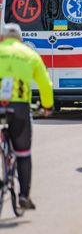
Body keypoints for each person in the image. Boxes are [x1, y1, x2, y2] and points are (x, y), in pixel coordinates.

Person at [0, 23, 53, 210]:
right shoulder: (30, 55)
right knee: (23, 153)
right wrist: (47, 106)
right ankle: (23, 196)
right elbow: (45, 84)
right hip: (19, 107)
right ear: (20, 39)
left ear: (2, 38)